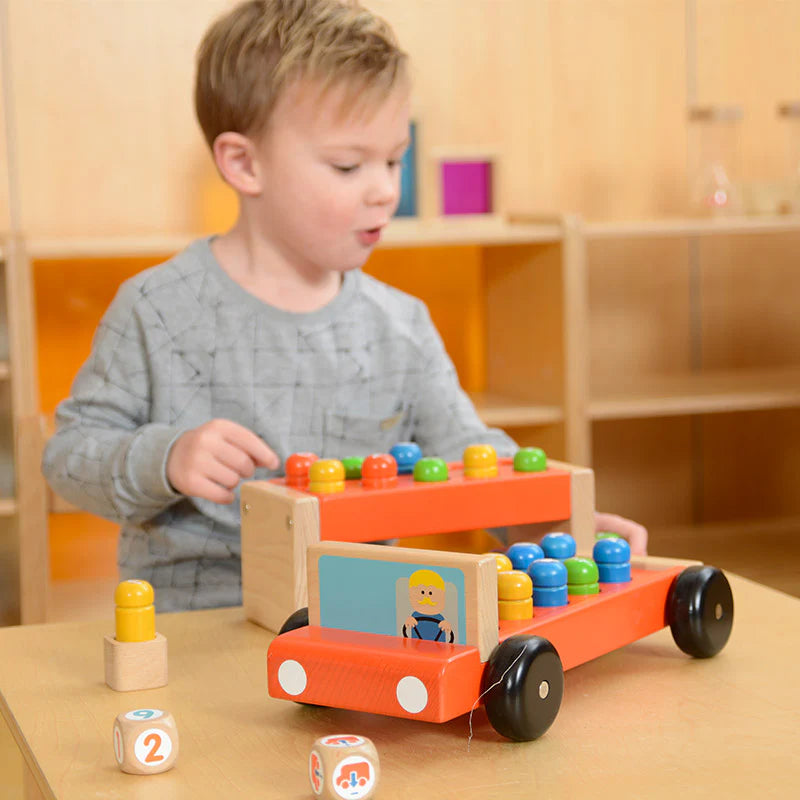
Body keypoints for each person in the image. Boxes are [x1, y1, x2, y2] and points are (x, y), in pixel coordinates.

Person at [42, 0, 646, 613]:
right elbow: (68, 457)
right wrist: (166, 457)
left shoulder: (400, 325)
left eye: (394, 159)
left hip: (359, 619)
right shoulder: (156, 309)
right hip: (200, 626)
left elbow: (471, 457)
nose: (385, 190)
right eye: (349, 165)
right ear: (244, 164)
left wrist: (550, 527)